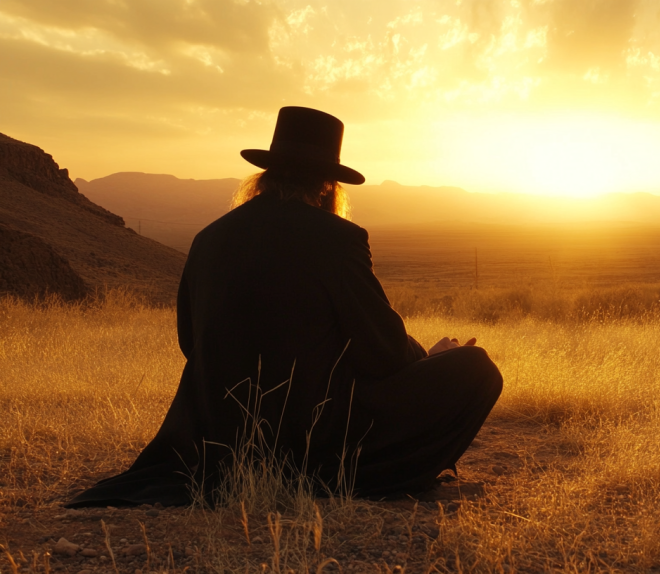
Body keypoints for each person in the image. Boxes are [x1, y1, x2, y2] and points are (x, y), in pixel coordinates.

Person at [67, 106, 503, 507]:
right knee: (477, 368)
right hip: (310, 441)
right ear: (327, 182)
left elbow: (189, 342)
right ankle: (373, 478)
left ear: (267, 174)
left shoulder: (208, 238)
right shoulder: (337, 239)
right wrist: (429, 358)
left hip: (221, 440)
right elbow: (382, 352)